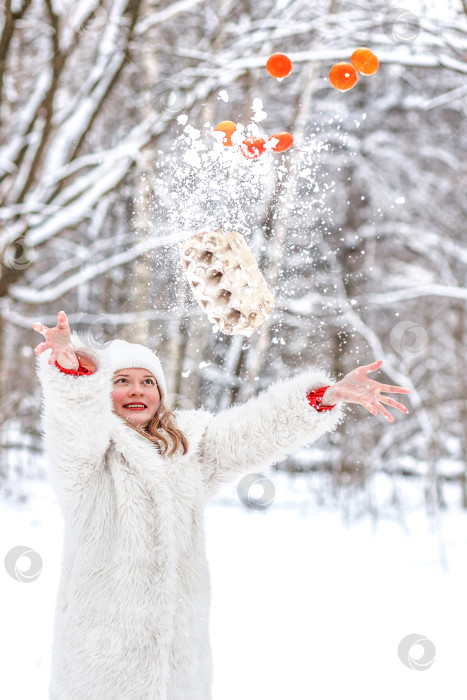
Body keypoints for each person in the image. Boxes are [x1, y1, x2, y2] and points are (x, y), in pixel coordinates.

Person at [33, 310, 410, 700]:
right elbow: (74, 425)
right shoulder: (89, 463)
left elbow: (254, 432)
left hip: (181, 662)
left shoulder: (186, 451)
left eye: (148, 381)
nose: (136, 390)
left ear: (161, 394)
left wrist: (324, 397)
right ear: (101, 391)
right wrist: (70, 372)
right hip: (103, 657)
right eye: (122, 381)